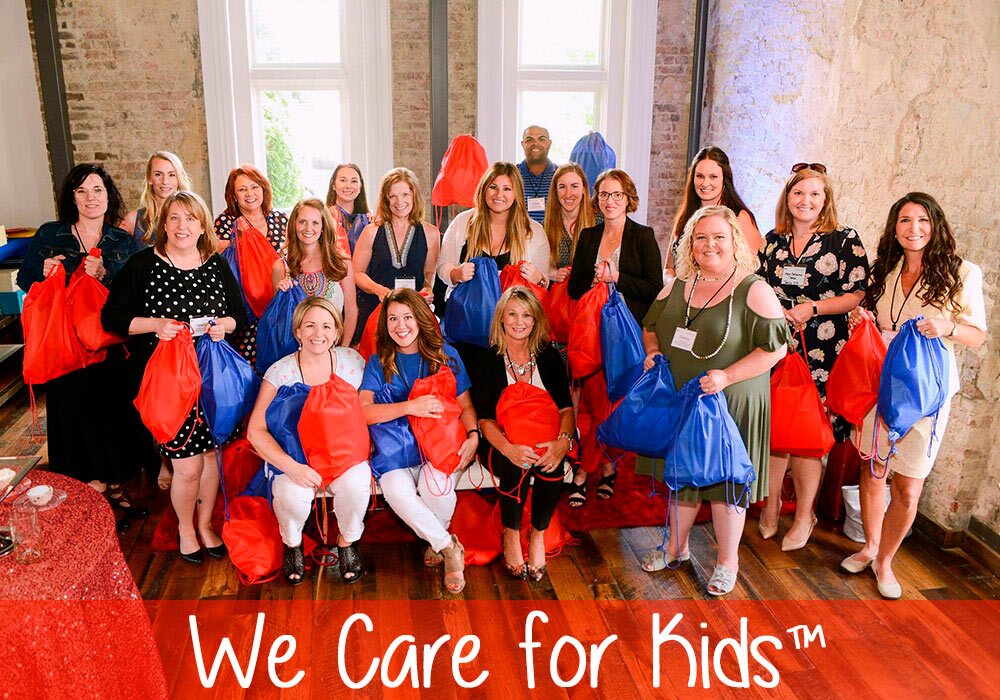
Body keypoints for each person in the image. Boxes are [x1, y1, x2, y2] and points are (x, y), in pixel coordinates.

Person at [840, 193, 986, 599]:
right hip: (878, 383)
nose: (913, 228)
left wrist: (947, 327)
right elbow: (876, 318)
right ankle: (869, 546)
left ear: (935, 224)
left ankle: (886, 560)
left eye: (922, 220)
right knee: (872, 470)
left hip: (925, 393)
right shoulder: (887, 267)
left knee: (908, 485)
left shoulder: (961, 272)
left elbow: (977, 335)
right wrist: (862, 317)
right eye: (905, 220)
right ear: (895, 227)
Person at [637, 206, 788, 595]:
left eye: (719, 236)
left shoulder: (753, 289)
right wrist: (651, 352)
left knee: (725, 484)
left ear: (734, 241)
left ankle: (727, 562)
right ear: (690, 244)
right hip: (684, 400)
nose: (710, 245)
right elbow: (650, 327)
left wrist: (726, 376)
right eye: (701, 237)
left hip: (731, 402)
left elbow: (776, 350)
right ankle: (676, 549)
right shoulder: (676, 285)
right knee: (683, 478)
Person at [103, 190, 247, 563]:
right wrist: (156, 324)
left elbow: (240, 318)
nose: (182, 226)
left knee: (211, 458)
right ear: (163, 223)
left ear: (203, 226)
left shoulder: (215, 264)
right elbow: (112, 319)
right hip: (169, 380)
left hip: (213, 379)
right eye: (175, 218)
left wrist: (223, 326)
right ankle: (185, 527)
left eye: (191, 219)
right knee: (187, 464)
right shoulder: (142, 265)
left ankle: (205, 524)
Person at [17, 163, 149, 523]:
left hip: (108, 345)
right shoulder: (50, 234)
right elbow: (26, 278)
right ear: (71, 197)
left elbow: (137, 292)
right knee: (75, 416)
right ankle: (90, 491)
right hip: (64, 344)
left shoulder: (122, 240)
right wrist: (43, 273)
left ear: (109, 196)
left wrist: (105, 275)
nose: (91, 198)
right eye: (82, 191)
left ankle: (117, 484)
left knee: (113, 414)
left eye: (97, 190)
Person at [757, 164, 870, 551]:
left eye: (814, 194)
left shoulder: (843, 241)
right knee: (775, 432)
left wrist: (813, 309)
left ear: (826, 200)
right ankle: (771, 507)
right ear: (787, 198)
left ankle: (805, 515)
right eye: (798, 193)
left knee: (807, 436)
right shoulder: (773, 240)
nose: (806, 201)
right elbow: (758, 286)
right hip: (777, 345)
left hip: (822, 349)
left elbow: (856, 294)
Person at [358, 289, 479, 594]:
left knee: (434, 489)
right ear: (385, 324)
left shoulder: (447, 356)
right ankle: (448, 545)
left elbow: (464, 405)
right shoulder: (379, 362)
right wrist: (410, 407)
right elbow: (364, 412)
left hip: (438, 445)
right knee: (397, 492)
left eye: (408, 317)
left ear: (421, 318)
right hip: (395, 449)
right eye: (393, 319)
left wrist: (474, 436)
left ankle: (434, 536)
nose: (401, 325)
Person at [247, 297, 370, 585]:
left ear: (337, 331)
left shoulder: (353, 363)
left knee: (356, 485)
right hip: (297, 456)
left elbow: (369, 409)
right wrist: (291, 467)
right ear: (298, 331)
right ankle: (292, 545)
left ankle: (347, 541)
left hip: (344, 455)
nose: (319, 334)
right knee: (293, 496)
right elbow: (255, 430)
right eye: (310, 326)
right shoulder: (280, 372)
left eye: (327, 326)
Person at [566, 168, 662, 507]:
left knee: (612, 406)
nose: (610, 201)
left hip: (627, 336)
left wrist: (616, 277)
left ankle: (602, 466)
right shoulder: (589, 237)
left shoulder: (643, 235)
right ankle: (589, 469)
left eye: (617, 195)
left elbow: (654, 288)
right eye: (604, 195)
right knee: (590, 406)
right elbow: (574, 287)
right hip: (592, 335)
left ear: (628, 198)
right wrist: (594, 282)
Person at [473, 287, 574, 581]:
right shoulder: (488, 358)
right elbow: (484, 420)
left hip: (545, 433)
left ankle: (538, 535)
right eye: (512, 314)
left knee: (552, 463)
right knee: (518, 462)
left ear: (536, 320)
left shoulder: (549, 356)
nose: (519, 322)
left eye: (527, 315)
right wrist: (508, 448)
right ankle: (511, 533)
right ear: (501, 319)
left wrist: (562, 443)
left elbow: (567, 410)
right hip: (499, 438)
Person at [437, 162, 550, 370]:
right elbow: (443, 267)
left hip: (512, 334)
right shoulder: (463, 223)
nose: (499, 194)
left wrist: (539, 278)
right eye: (493, 187)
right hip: (469, 329)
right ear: (483, 189)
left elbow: (545, 282)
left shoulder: (533, 231)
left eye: (507, 188)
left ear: (516, 193)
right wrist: (456, 273)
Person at [353, 168, 440, 346]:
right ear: (385, 199)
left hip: (414, 318)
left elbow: (429, 273)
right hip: (378, 316)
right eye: (392, 196)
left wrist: (428, 289)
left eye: (405, 194)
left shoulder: (431, 233)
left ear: (414, 195)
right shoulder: (371, 231)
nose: (399, 201)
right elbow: (357, 273)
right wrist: (378, 289)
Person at [213, 164, 288, 365]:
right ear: (233, 195)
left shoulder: (280, 220)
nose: (249, 194)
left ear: (263, 188)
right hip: (245, 309)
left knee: (279, 365)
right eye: (242, 189)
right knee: (249, 368)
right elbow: (214, 258)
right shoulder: (225, 223)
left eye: (254, 187)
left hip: (278, 306)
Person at [272, 198, 359, 345]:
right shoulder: (281, 267)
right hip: (295, 356)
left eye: (315, 223)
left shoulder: (342, 263)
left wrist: (342, 350)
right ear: (294, 224)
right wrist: (281, 294)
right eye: (302, 222)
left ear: (323, 226)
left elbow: (351, 311)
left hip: (334, 352)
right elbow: (280, 321)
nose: (308, 228)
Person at [665, 147, 761, 275]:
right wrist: (672, 284)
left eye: (713, 177)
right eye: (700, 176)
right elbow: (669, 268)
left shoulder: (740, 217)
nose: (705, 183)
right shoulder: (685, 216)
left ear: (724, 179)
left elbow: (750, 269)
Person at [121, 151, 192, 248]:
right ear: (149, 178)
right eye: (158, 174)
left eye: (171, 175)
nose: (165, 182)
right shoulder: (133, 220)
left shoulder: (196, 218)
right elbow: (116, 260)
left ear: (179, 179)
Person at [543, 163, 596, 284]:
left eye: (574, 186)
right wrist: (554, 273)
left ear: (583, 189)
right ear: (555, 191)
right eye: (562, 187)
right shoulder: (544, 227)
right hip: (558, 297)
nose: (568, 194)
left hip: (591, 297)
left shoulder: (599, 222)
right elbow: (541, 265)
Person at [326, 163, 371, 255]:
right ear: (333, 185)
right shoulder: (325, 217)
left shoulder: (369, 219)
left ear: (360, 187)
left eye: (354, 181)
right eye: (343, 180)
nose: (348, 186)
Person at [517, 125, 557, 223]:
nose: (535, 143)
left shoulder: (560, 175)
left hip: (553, 236)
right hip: (519, 235)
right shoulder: (512, 174)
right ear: (523, 144)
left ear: (549, 143)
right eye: (529, 139)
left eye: (541, 139)